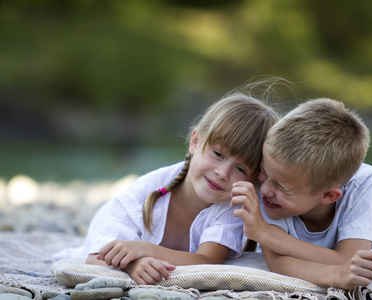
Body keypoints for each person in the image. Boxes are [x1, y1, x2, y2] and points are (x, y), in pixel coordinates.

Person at [53, 87, 279, 285]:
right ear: (195, 142)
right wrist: (132, 266)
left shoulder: (232, 204)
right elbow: (96, 256)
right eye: (218, 154)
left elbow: (207, 262)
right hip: (108, 218)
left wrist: (146, 250)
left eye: (240, 169)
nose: (222, 173)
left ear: (254, 180)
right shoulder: (144, 192)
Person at [231, 98, 372, 290]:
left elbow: (348, 260)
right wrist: (335, 275)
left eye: (282, 187)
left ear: (329, 196)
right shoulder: (270, 188)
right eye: (263, 171)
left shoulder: (365, 184)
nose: (264, 189)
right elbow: (278, 264)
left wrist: (264, 232)